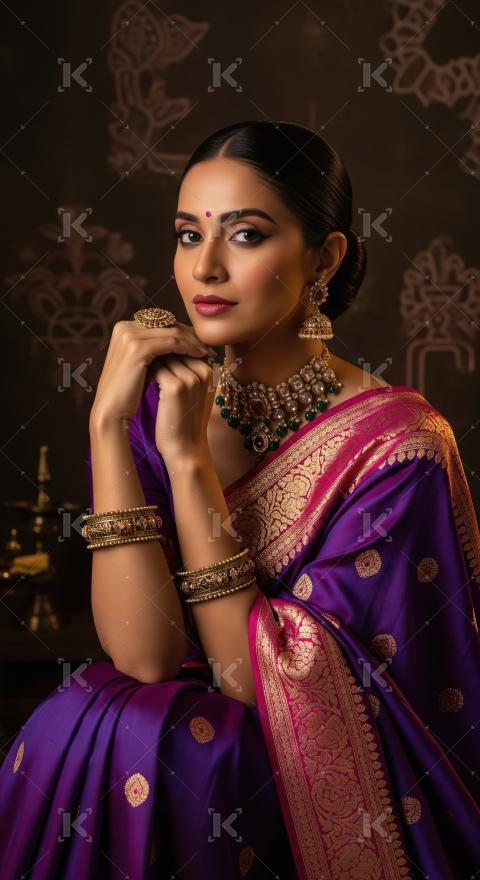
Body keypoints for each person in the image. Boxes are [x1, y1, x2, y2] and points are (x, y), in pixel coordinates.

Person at [0, 120, 479, 879]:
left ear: (324, 257)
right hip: (167, 753)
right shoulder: (153, 410)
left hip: (305, 789)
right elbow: (147, 655)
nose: (205, 269)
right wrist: (107, 425)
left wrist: (189, 463)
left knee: (184, 738)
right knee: (109, 714)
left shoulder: (399, 445)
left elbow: (266, 685)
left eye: (246, 236)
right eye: (188, 236)